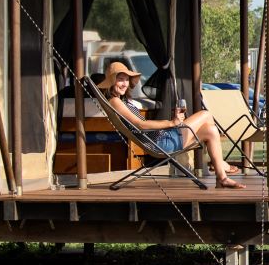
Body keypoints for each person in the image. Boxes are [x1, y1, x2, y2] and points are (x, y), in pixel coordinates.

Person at [103, 61, 244, 188]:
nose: (125, 84)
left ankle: (222, 177)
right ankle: (220, 164)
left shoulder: (122, 101)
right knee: (205, 115)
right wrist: (171, 123)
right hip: (160, 142)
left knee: (211, 130)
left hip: (163, 139)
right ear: (111, 82)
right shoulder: (115, 102)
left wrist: (172, 123)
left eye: (127, 80)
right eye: (120, 80)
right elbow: (140, 125)